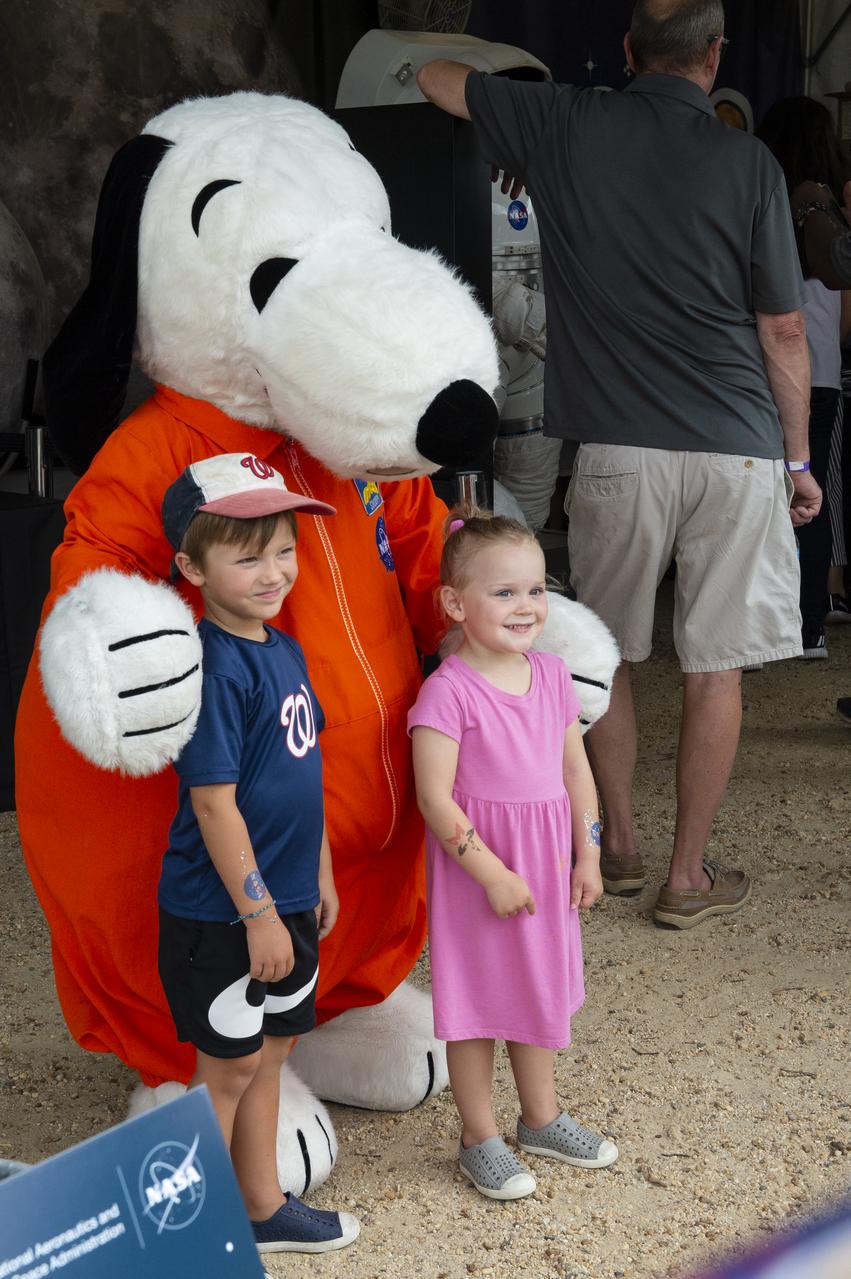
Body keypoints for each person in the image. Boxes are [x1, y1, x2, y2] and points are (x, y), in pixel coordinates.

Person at [417, 0, 822, 929]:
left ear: (629, 51)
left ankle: (619, 847)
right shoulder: (747, 161)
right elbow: (784, 329)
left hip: (615, 448)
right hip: (733, 445)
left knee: (608, 659)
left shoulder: (567, 122)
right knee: (714, 667)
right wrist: (798, 459)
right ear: (715, 56)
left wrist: (526, 94)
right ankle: (687, 877)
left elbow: (435, 80)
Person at [157, 452, 359, 1254]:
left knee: (273, 1050)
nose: (274, 571)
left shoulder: (282, 646)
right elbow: (213, 801)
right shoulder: (211, 664)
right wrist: (259, 912)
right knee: (227, 1070)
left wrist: (318, 872)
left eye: (284, 549)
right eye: (246, 557)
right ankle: (183, 1230)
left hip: (285, 902)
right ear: (190, 565)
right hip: (227, 913)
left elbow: (297, 776)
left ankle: (262, 1204)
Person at [407, 509, 617, 1201]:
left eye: (534, 589)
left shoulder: (553, 675)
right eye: (503, 592)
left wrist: (587, 854)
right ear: (454, 602)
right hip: (481, 877)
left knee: (536, 991)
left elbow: (575, 773)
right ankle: (477, 1134)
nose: (524, 606)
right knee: (475, 1007)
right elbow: (435, 799)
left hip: (547, 867)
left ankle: (541, 1116)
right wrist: (491, 872)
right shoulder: (446, 692)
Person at [756, 97, 851, 659]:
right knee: (809, 499)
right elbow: (841, 312)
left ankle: (769, 625)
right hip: (816, 371)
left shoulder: (765, 199)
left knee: (760, 500)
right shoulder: (822, 208)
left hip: (760, 368)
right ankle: (807, 623)